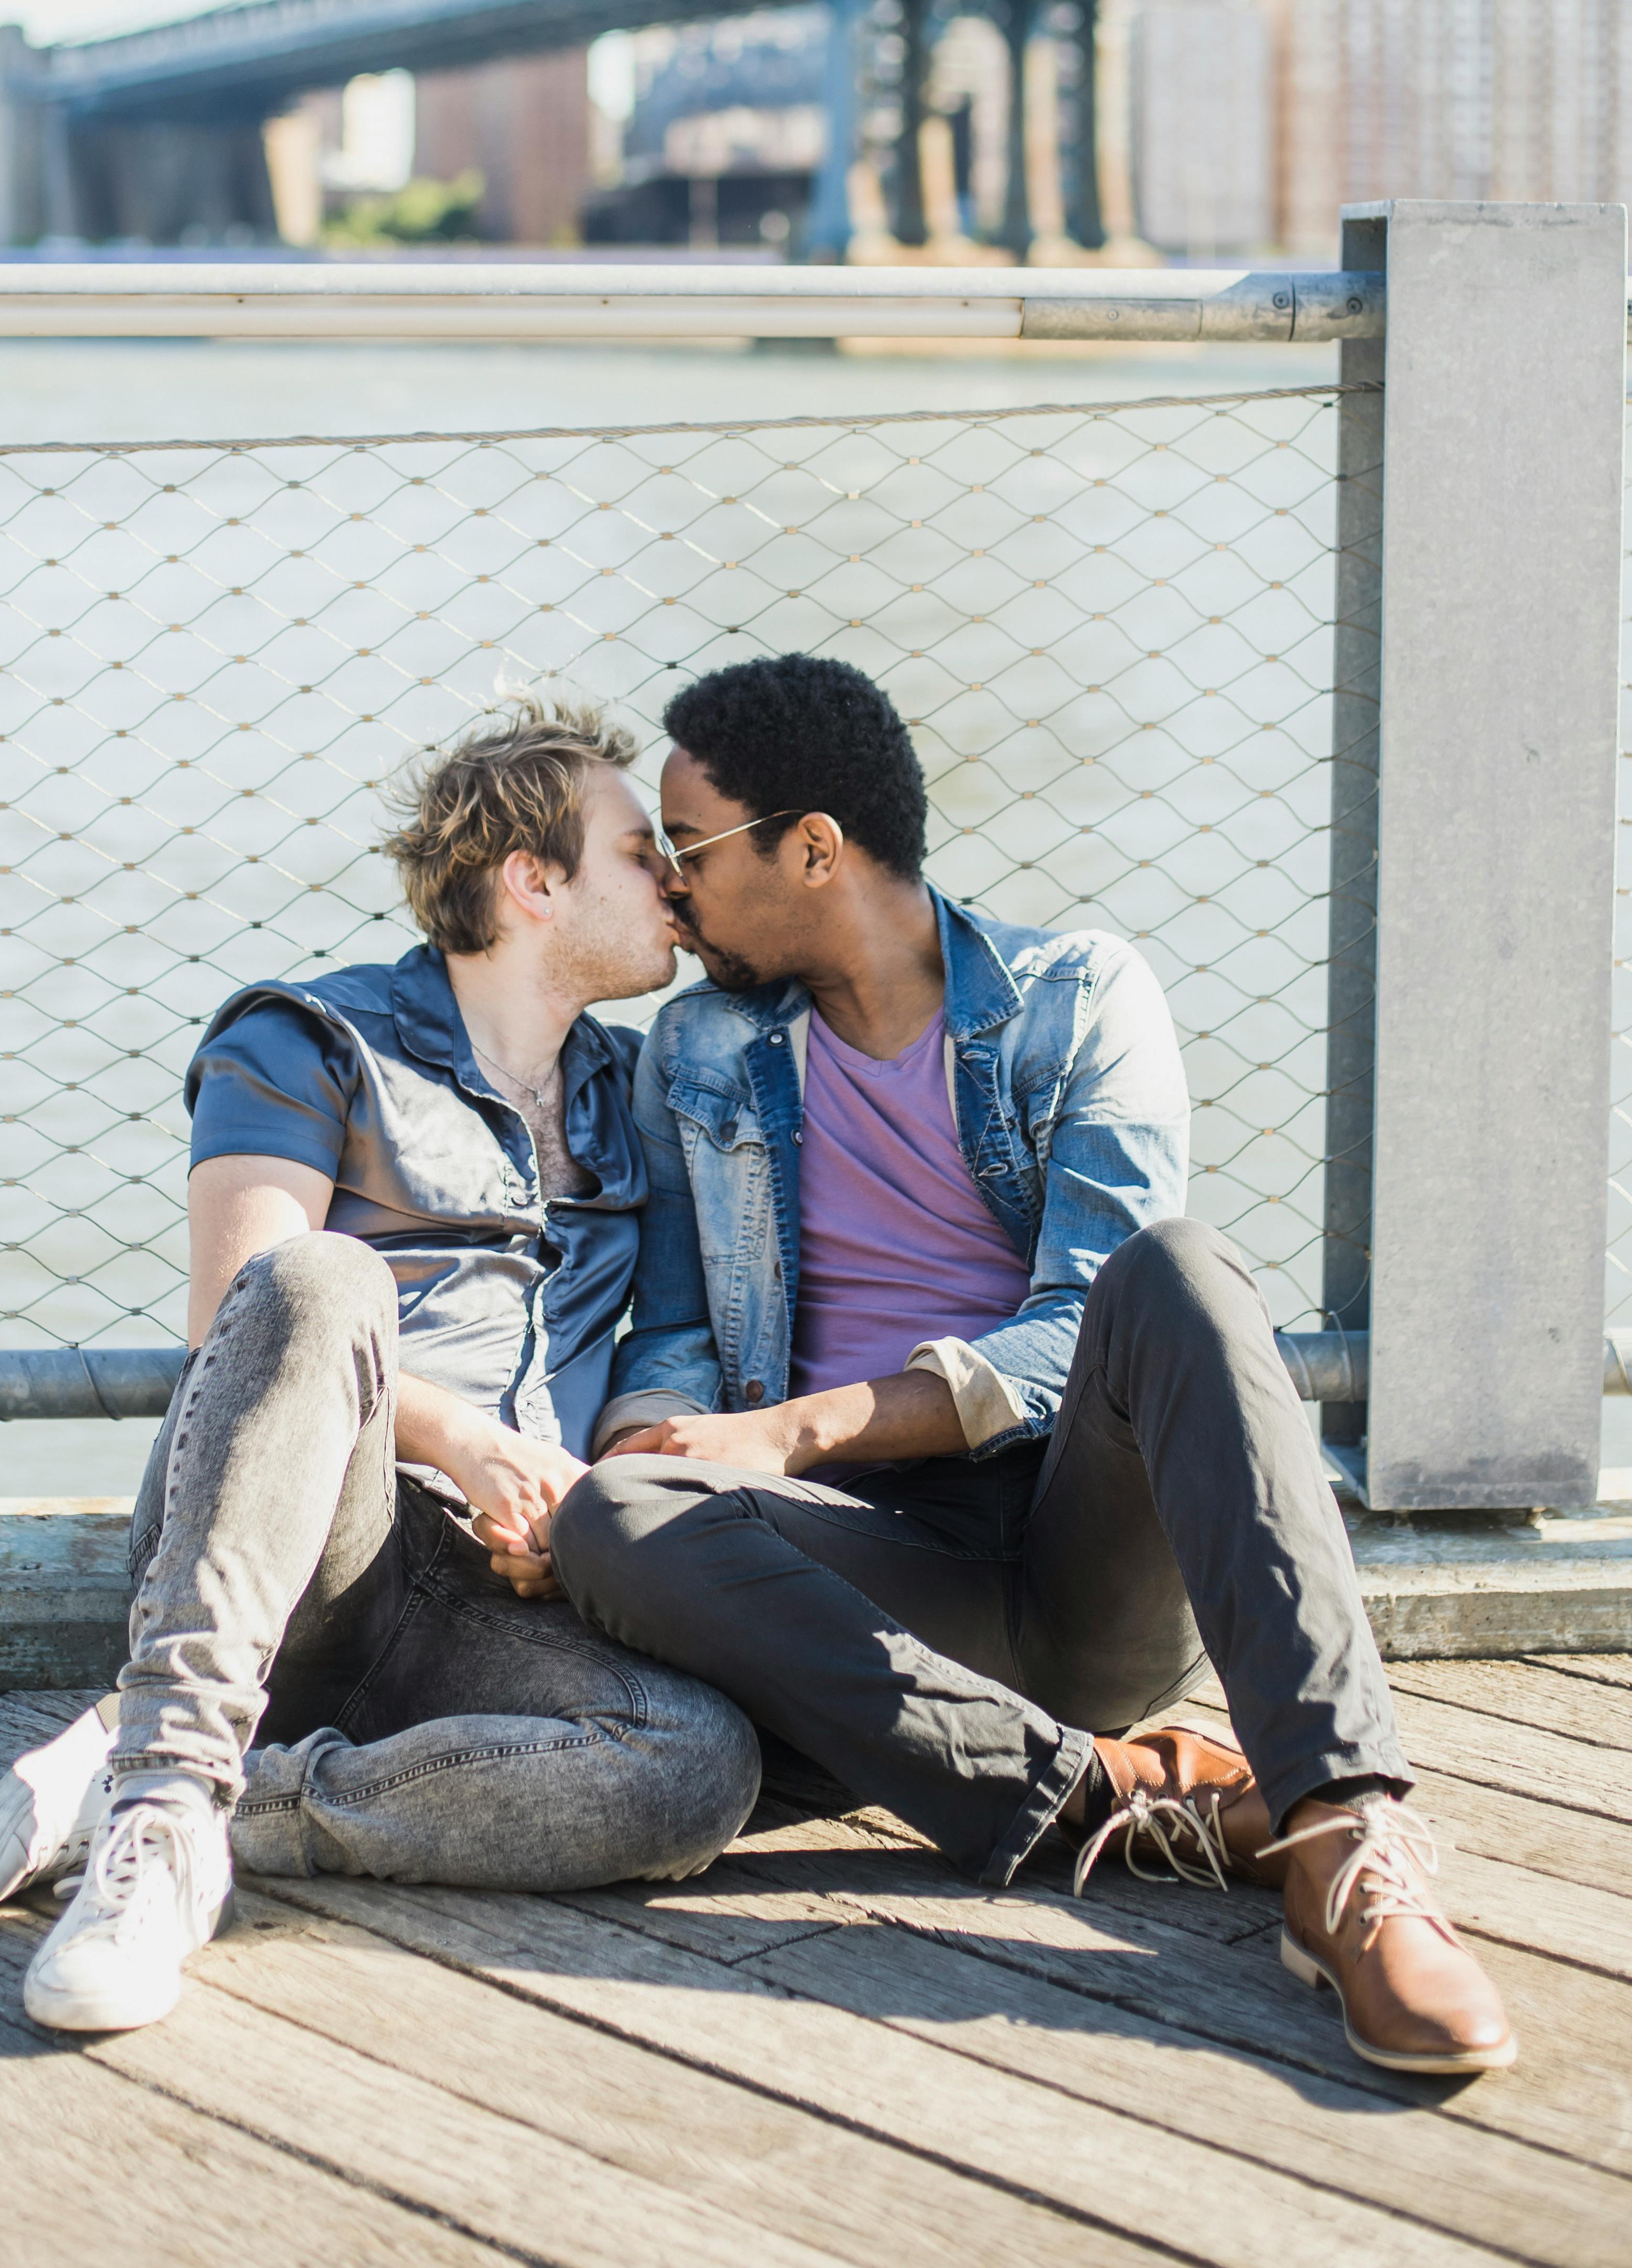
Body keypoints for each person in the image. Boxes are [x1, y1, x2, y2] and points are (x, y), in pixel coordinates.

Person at [544, 655, 1516, 2077]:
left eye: (688, 849)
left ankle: (1342, 1833)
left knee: (1176, 1267)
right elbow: (676, 1334)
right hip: (865, 1574)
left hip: (1083, 1551)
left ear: (810, 848)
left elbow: (1075, 1331)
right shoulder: (695, 1046)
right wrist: (657, 1433)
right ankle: (1122, 1800)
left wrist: (791, 1431)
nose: (667, 890)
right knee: (608, 1513)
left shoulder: (1076, 996)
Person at [0, 703, 760, 2034]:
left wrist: (589, 1508)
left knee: (696, 1764)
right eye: (636, 848)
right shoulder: (304, 1038)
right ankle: (166, 1797)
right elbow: (237, 1314)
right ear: (532, 879)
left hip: (491, 1591)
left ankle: (210, 1809)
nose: (672, 876)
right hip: (297, 1542)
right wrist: (468, 1443)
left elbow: (663, 1344)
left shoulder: (644, 1092)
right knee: (322, 1275)